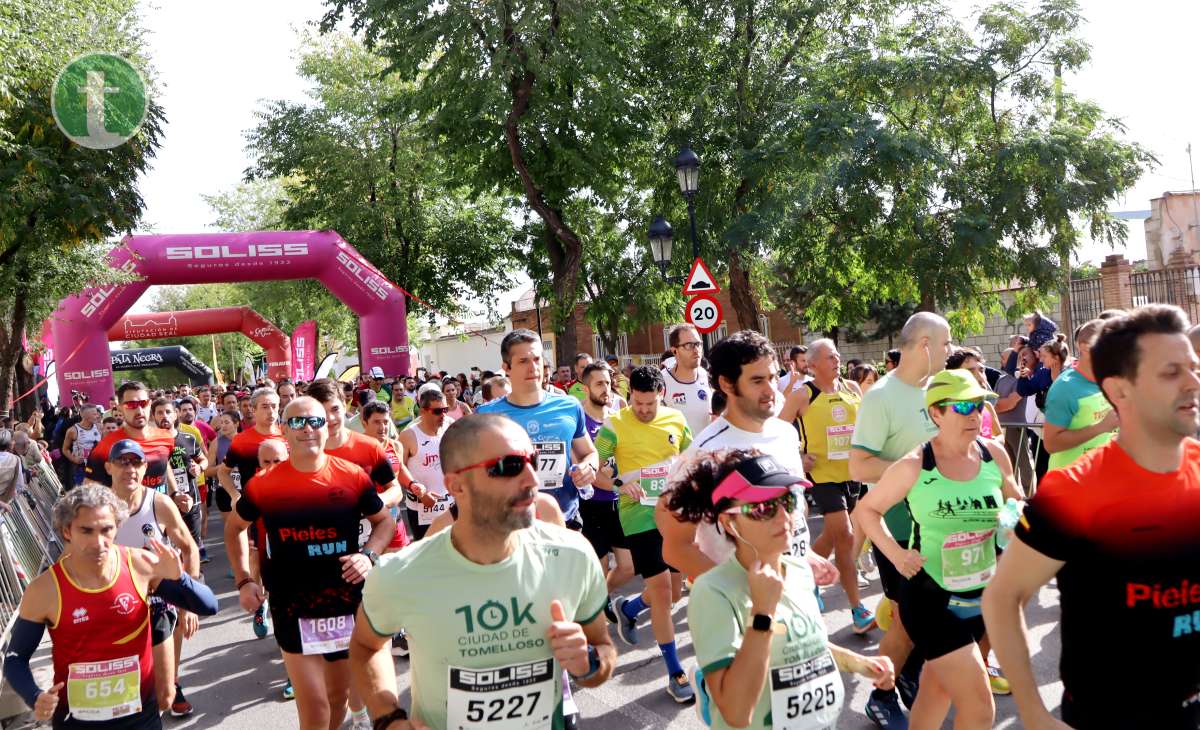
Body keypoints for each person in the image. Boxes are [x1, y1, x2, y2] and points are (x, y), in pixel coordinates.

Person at [983, 305, 1200, 729]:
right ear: (1120, 392)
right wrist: (1032, 711)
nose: (1193, 382)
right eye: (1170, 372)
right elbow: (1002, 597)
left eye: (1193, 368)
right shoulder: (1073, 492)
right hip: (1107, 716)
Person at [349, 413, 618, 729]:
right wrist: (388, 719)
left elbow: (602, 647)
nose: (533, 480)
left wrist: (589, 663)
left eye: (533, 460)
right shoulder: (403, 572)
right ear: (456, 486)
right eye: (508, 467)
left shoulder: (572, 554)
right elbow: (366, 645)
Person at [673, 450, 895, 729]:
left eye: (786, 501)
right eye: (763, 508)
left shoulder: (800, 570)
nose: (782, 516)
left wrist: (860, 663)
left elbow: (805, 646)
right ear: (729, 522)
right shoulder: (713, 590)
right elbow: (737, 712)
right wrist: (762, 613)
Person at [858, 370, 1024, 730]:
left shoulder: (994, 453)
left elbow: (1016, 501)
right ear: (935, 413)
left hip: (981, 595)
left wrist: (1012, 528)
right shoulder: (914, 465)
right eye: (963, 406)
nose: (974, 415)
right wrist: (896, 554)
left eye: (979, 405)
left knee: (936, 691)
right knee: (980, 709)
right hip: (930, 597)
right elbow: (866, 510)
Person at [226, 396, 394, 730]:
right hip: (293, 604)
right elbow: (234, 529)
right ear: (284, 429)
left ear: (328, 425)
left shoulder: (352, 477)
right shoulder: (264, 484)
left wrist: (368, 555)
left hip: (344, 602)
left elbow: (384, 521)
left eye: (315, 421)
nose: (308, 429)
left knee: (337, 697)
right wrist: (244, 581)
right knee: (315, 704)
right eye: (298, 422)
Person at [2, 485, 216, 730]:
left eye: (107, 529)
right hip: (77, 722)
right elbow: (15, 660)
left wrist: (181, 579)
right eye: (87, 531)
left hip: (140, 717)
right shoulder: (44, 590)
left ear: (117, 527)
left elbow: (208, 605)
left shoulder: (140, 565)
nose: (99, 542)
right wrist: (35, 696)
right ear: (67, 531)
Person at [849, 311, 952, 728]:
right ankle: (881, 695)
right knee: (908, 623)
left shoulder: (936, 391)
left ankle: (907, 676)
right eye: (945, 343)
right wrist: (917, 468)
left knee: (928, 617)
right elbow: (858, 466)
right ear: (924, 346)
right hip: (899, 529)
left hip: (940, 527)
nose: (951, 349)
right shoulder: (881, 396)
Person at [593, 366, 695, 702]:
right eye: (638, 403)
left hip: (673, 513)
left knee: (675, 592)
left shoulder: (676, 421)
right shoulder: (614, 426)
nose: (644, 410)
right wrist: (622, 483)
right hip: (637, 517)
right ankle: (675, 672)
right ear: (630, 396)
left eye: (650, 404)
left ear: (660, 395)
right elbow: (598, 474)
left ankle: (629, 608)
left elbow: (690, 460)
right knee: (664, 591)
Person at [778, 338, 875, 632]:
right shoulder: (802, 394)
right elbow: (779, 431)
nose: (837, 360)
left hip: (852, 475)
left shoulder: (852, 389)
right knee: (844, 535)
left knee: (834, 538)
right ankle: (858, 610)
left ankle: (807, 571)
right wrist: (797, 456)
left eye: (837, 356)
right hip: (821, 476)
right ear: (812, 363)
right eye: (830, 357)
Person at [104, 440, 204, 716]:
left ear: (145, 467)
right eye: (122, 462)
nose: (130, 469)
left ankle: (170, 685)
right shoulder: (98, 507)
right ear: (108, 467)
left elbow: (189, 548)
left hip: (158, 598)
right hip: (115, 602)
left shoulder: (158, 503)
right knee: (126, 690)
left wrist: (189, 600)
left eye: (136, 462)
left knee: (163, 696)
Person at [478, 329, 599, 528]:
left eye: (536, 359)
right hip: (512, 524)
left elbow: (589, 452)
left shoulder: (569, 406)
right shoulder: (486, 415)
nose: (533, 367)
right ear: (506, 367)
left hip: (564, 518)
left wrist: (589, 468)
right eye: (523, 361)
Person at [576, 363, 635, 615]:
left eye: (608, 383)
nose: (606, 389)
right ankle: (595, 620)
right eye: (599, 384)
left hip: (618, 503)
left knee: (629, 567)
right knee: (598, 569)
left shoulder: (618, 415)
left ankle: (602, 596)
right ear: (585, 387)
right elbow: (589, 472)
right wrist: (618, 486)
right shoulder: (579, 419)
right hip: (592, 506)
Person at [1042, 319, 1119, 471]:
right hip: (1070, 484)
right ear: (1085, 347)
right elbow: (1051, 443)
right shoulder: (1065, 387)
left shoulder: (1110, 380)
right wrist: (1101, 427)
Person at [84, 382, 180, 498]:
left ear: (150, 404)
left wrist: (175, 493)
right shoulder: (106, 446)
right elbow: (89, 489)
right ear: (120, 408)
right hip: (123, 513)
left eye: (143, 403)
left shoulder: (166, 437)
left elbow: (165, 466)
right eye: (131, 405)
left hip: (159, 511)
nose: (139, 410)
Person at [397, 386, 454, 540]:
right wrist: (419, 492)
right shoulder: (409, 435)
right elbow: (398, 469)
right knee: (425, 555)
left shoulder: (450, 426)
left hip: (450, 505)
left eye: (445, 409)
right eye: (437, 411)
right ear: (423, 411)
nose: (442, 414)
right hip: (421, 509)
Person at [662, 324, 714, 437]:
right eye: (689, 345)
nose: (696, 350)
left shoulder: (708, 377)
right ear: (675, 351)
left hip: (706, 452)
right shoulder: (662, 382)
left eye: (698, 344)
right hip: (677, 453)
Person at [946, 347, 1002, 439]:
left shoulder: (987, 407)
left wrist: (993, 444)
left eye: (981, 370)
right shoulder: (949, 410)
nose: (980, 377)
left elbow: (1000, 436)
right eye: (970, 372)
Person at [62, 404, 102, 487]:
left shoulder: (99, 427)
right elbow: (65, 449)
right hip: (81, 468)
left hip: (97, 467)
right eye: (94, 414)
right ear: (86, 416)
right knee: (84, 494)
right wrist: (74, 459)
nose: (97, 416)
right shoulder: (72, 430)